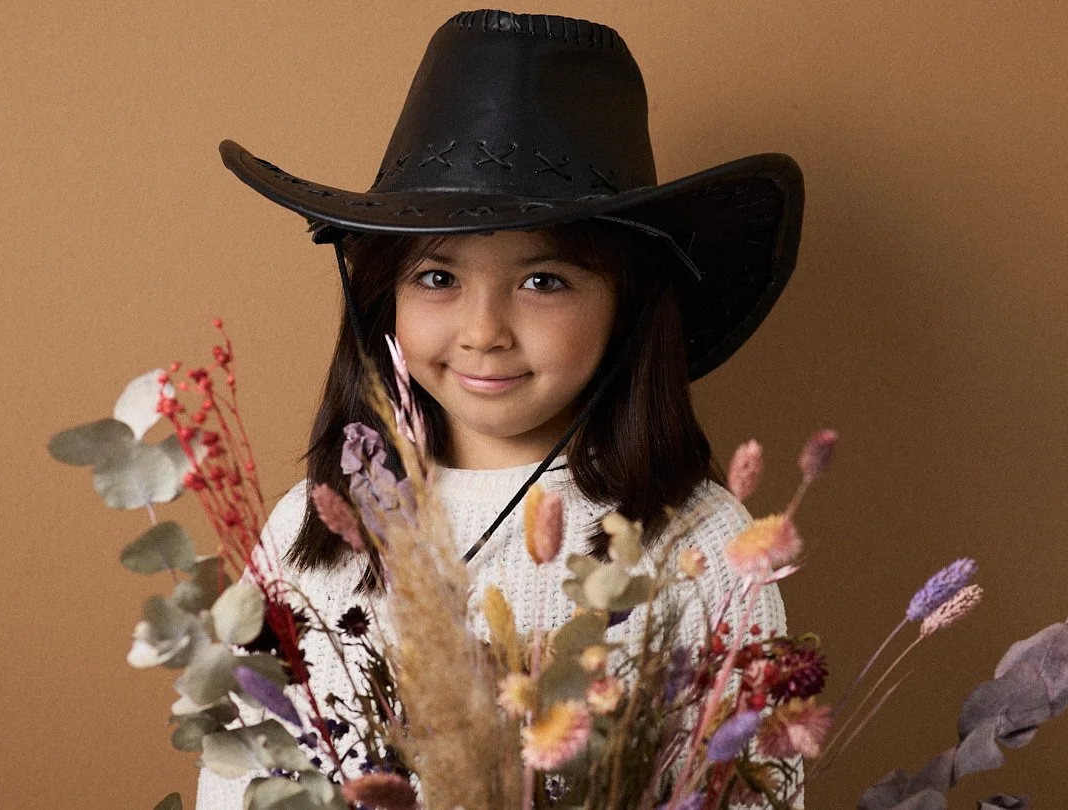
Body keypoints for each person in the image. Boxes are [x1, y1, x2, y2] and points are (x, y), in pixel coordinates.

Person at [197, 9, 804, 809]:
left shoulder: (702, 545)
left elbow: (756, 788)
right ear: (382, 296)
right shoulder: (308, 534)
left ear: (626, 302)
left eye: (543, 280)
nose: (483, 333)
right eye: (438, 278)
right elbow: (238, 777)